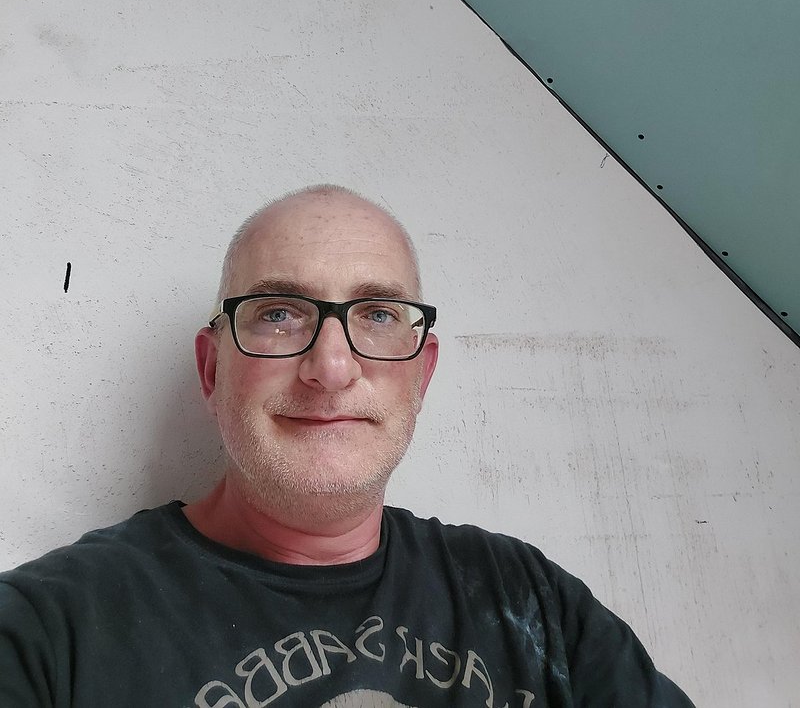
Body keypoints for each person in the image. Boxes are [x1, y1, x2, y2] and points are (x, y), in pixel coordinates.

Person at [0, 184, 696, 707]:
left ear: (422, 374)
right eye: (279, 312)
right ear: (213, 370)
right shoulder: (43, 635)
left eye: (379, 314)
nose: (331, 367)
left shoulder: (536, 604)